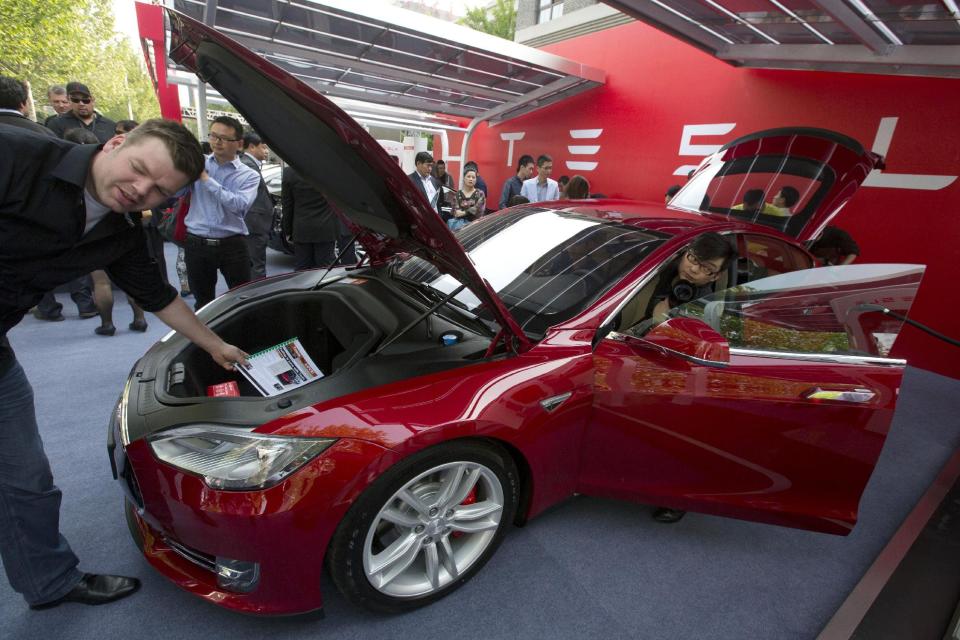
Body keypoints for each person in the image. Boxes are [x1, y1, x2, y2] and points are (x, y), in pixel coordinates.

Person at [0, 120, 247, 610]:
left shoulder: (124, 231)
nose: (139, 190)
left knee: (26, 479)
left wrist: (217, 346)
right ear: (115, 144)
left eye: (158, 189)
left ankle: (49, 582)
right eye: (138, 170)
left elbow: (159, 296)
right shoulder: (14, 156)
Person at [642, 232, 736, 524]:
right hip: (638, 357)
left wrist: (668, 319)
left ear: (717, 275)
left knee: (680, 432)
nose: (694, 270)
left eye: (706, 269)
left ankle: (676, 497)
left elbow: (708, 348)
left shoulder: (713, 303)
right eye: (694, 259)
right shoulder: (657, 269)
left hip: (683, 368)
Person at [0, 76, 97, 322]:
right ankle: (84, 303)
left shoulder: (49, 129)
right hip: (48, 218)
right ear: (23, 103)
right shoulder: (44, 133)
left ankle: (48, 308)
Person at [183, 115, 260, 309]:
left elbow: (239, 204)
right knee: (202, 302)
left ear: (239, 143)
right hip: (197, 242)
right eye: (213, 136)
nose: (217, 142)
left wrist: (206, 179)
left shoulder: (249, 175)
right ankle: (205, 339)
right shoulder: (198, 163)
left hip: (232, 244)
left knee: (241, 298)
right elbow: (177, 192)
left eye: (224, 138)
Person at [281, 165, 341, 270]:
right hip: (326, 227)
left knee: (302, 268)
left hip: (301, 228)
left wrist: (288, 231)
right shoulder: (330, 171)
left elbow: (287, 206)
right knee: (324, 269)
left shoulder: (289, 172)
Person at [239, 131, 274, 280]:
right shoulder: (248, 166)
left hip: (252, 224)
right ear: (252, 147)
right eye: (263, 147)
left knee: (252, 263)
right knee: (256, 265)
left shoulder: (246, 163)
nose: (266, 152)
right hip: (254, 224)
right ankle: (258, 298)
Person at [46, 81, 116, 143]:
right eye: (75, 100)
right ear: (69, 100)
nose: (81, 104)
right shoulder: (56, 124)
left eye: (85, 100)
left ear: (93, 100)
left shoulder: (110, 125)